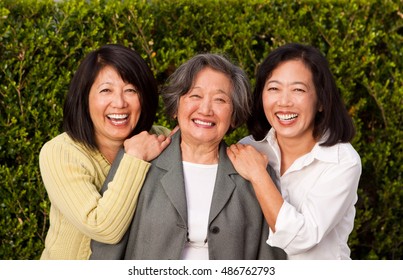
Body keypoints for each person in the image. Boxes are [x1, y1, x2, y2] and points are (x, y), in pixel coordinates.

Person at [90, 53, 287, 260]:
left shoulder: (254, 172)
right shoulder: (137, 160)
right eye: (195, 96)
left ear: (233, 116)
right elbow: (107, 247)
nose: (205, 109)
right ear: (176, 106)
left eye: (220, 99)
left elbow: (271, 257)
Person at [227, 43, 362, 259]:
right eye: (273, 88)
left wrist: (259, 175)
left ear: (321, 101)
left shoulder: (342, 161)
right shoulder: (250, 149)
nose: (284, 102)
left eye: (298, 89)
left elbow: (301, 238)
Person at [39, 44, 172, 260]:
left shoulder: (159, 139)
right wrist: (136, 157)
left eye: (131, 90)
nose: (119, 103)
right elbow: (103, 228)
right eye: (106, 90)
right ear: (85, 98)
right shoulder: (61, 152)